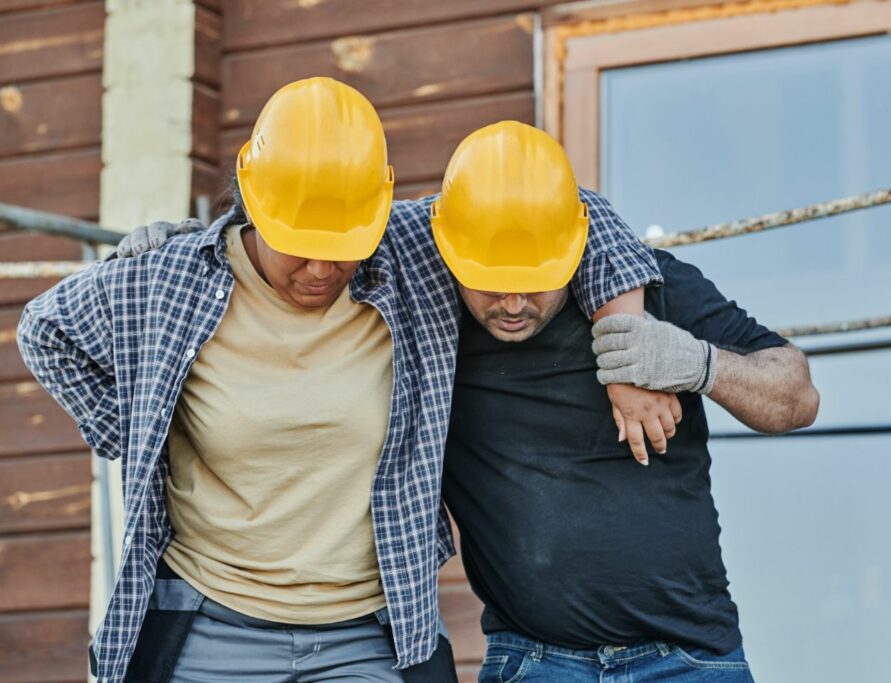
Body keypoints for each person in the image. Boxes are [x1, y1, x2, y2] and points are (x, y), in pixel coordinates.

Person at [17, 81, 663, 683]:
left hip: (368, 633)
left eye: (344, 241)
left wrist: (628, 352)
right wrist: (143, 437)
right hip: (211, 626)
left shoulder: (409, 251)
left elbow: (577, 211)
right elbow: (44, 330)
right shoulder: (172, 277)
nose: (322, 266)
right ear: (254, 203)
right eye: (297, 241)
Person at [433, 122, 819, 682]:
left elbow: (798, 397)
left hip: (688, 658)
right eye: (491, 281)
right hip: (535, 660)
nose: (513, 302)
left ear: (573, 244)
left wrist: (699, 364)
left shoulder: (657, 289)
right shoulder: (436, 326)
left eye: (536, 279)